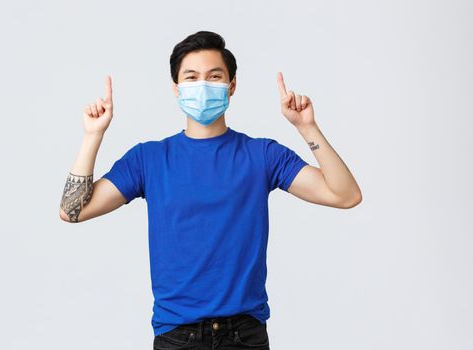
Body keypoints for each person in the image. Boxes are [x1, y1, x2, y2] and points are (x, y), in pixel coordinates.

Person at [59, 30, 362, 350]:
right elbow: (72, 211)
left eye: (214, 76)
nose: (202, 85)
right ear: (176, 89)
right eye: (191, 77)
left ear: (231, 86)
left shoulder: (262, 155)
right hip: (177, 335)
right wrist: (93, 135)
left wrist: (306, 127)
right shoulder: (148, 160)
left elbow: (344, 195)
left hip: (244, 335)